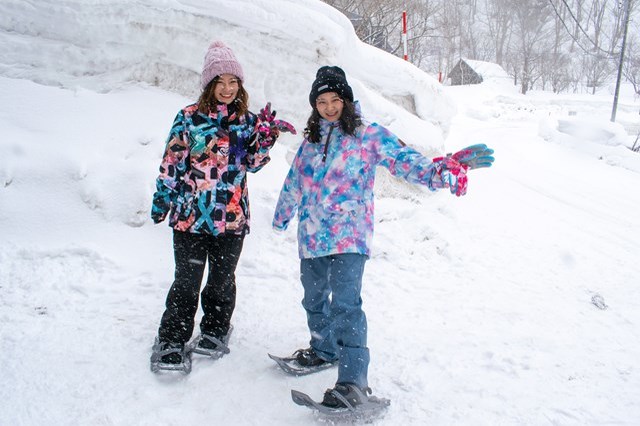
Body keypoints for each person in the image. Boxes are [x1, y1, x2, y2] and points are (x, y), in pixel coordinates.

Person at [272, 66, 494, 407]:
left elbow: (405, 161)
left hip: (349, 236)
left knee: (346, 306)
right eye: (322, 101)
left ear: (347, 100)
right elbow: (294, 181)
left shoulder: (368, 136)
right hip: (312, 236)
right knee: (314, 300)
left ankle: (352, 383)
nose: (329, 107)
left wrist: (440, 170)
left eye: (335, 99)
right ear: (314, 105)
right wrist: (282, 215)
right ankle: (323, 349)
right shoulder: (311, 142)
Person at [150, 41, 295, 373]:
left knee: (220, 280)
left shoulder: (247, 121)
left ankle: (215, 330)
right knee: (186, 281)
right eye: (220, 81)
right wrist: (162, 199)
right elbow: (172, 162)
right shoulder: (188, 118)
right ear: (208, 84)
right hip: (189, 217)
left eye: (233, 81)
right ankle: (172, 338)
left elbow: (254, 164)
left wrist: (266, 137)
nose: (227, 88)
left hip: (230, 219)